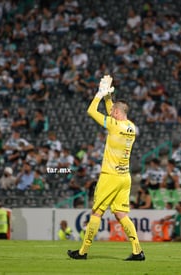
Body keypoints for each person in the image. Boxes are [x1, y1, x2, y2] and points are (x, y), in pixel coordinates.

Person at [67, 75, 145, 261]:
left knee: (97, 212)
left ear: (117, 114)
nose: (110, 113)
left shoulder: (112, 124)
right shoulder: (131, 127)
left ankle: (83, 252)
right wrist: (109, 96)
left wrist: (99, 94)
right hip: (124, 177)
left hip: (109, 176)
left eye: (113, 112)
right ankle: (137, 251)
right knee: (121, 214)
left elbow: (91, 110)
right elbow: (114, 111)